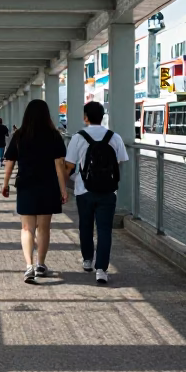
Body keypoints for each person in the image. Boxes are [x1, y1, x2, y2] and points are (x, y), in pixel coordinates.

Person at [1, 99, 68, 284]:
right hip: (48, 185)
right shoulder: (54, 135)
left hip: (26, 184)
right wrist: (63, 190)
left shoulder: (20, 135)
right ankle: (40, 264)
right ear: (47, 114)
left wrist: (5, 183)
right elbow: (59, 165)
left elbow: (10, 162)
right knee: (44, 227)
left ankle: (29, 266)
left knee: (27, 227)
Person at [63, 100, 128, 285]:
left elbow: (69, 165)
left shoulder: (78, 137)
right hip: (108, 191)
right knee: (104, 229)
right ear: (102, 117)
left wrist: (61, 186)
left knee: (85, 225)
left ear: (85, 117)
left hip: (84, 190)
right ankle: (101, 269)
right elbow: (121, 161)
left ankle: (87, 260)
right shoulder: (114, 137)